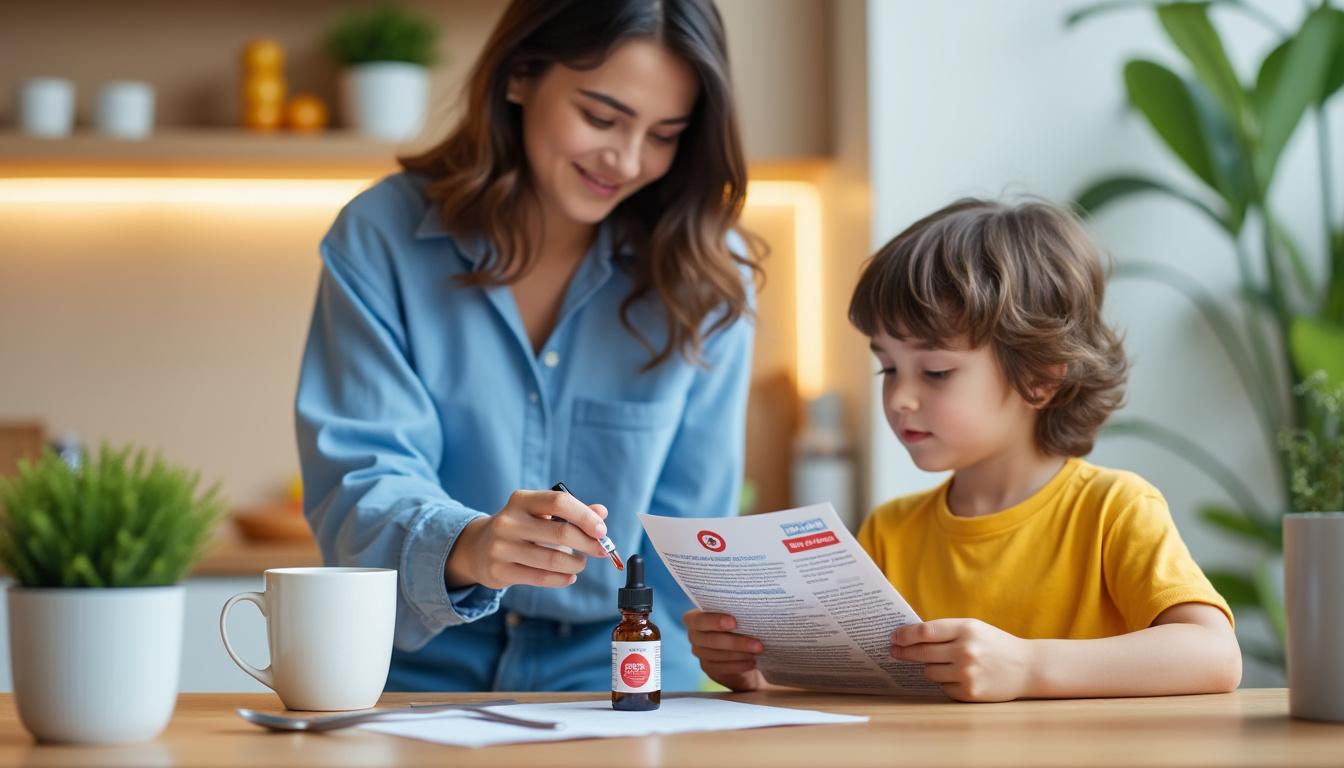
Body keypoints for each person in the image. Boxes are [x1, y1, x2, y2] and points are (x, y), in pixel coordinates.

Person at [296, 0, 762, 692]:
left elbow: (689, 537)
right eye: (601, 117)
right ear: (519, 75)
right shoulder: (381, 237)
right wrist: (469, 545)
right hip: (411, 667)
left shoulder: (706, 276)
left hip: (617, 674)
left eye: (664, 134)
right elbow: (359, 481)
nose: (627, 159)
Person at [685, 198, 1242, 702]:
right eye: (888, 367)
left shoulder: (1113, 510)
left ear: (1041, 379)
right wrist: (752, 669)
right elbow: (849, 687)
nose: (900, 398)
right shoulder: (891, 533)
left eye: (936, 371)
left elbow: (1214, 656)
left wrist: (1026, 666)